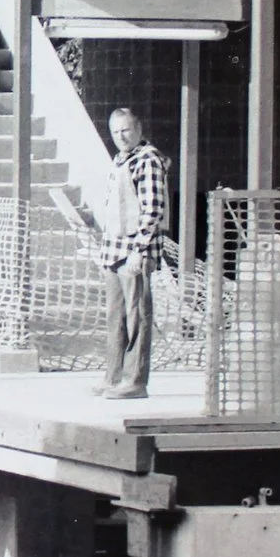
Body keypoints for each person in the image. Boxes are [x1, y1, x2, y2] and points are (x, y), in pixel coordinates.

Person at [97, 106, 168, 399]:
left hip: (134, 252)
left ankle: (135, 380)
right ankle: (112, 378)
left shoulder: (147, 160)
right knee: (115, 316)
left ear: (138, 129)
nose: (121, 137)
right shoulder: (120, 160)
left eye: (126, 130)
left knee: (136, 314)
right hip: (113, 250)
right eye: (115, 132)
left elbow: (153, 209)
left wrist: (140, 251)